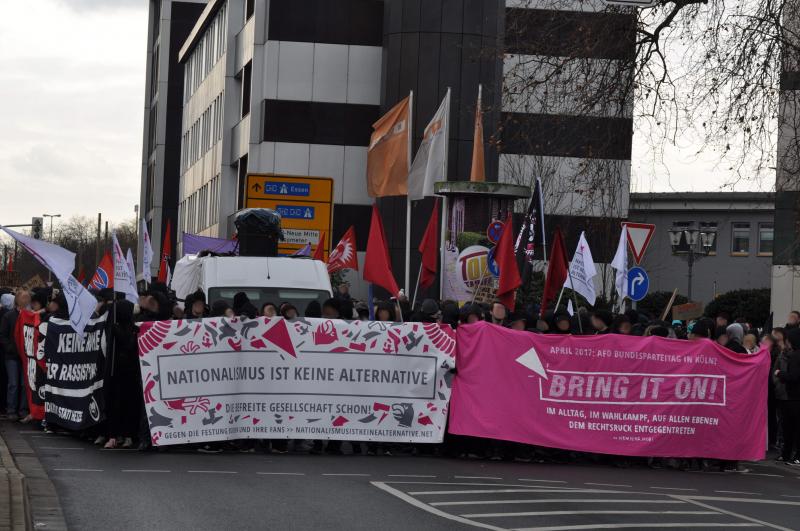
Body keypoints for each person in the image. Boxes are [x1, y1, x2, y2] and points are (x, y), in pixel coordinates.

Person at [0, 291, 31, 421]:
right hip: (12, 356)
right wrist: (11, 348)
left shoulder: (29, 316)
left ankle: (22, 409)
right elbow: (2, 335)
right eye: (23, 299)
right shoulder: (8, 316)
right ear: (18, 301)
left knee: (24, 384)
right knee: (13, 383)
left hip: (25, 356)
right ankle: (11, 409)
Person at [774, 328, 800, 465]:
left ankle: (788, 454)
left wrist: (780, 374)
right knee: (791, 428)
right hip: (794, 397)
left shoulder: (796, 356)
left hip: (793, 397)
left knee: (790, 428)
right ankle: (789, 454)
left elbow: (794, 376)